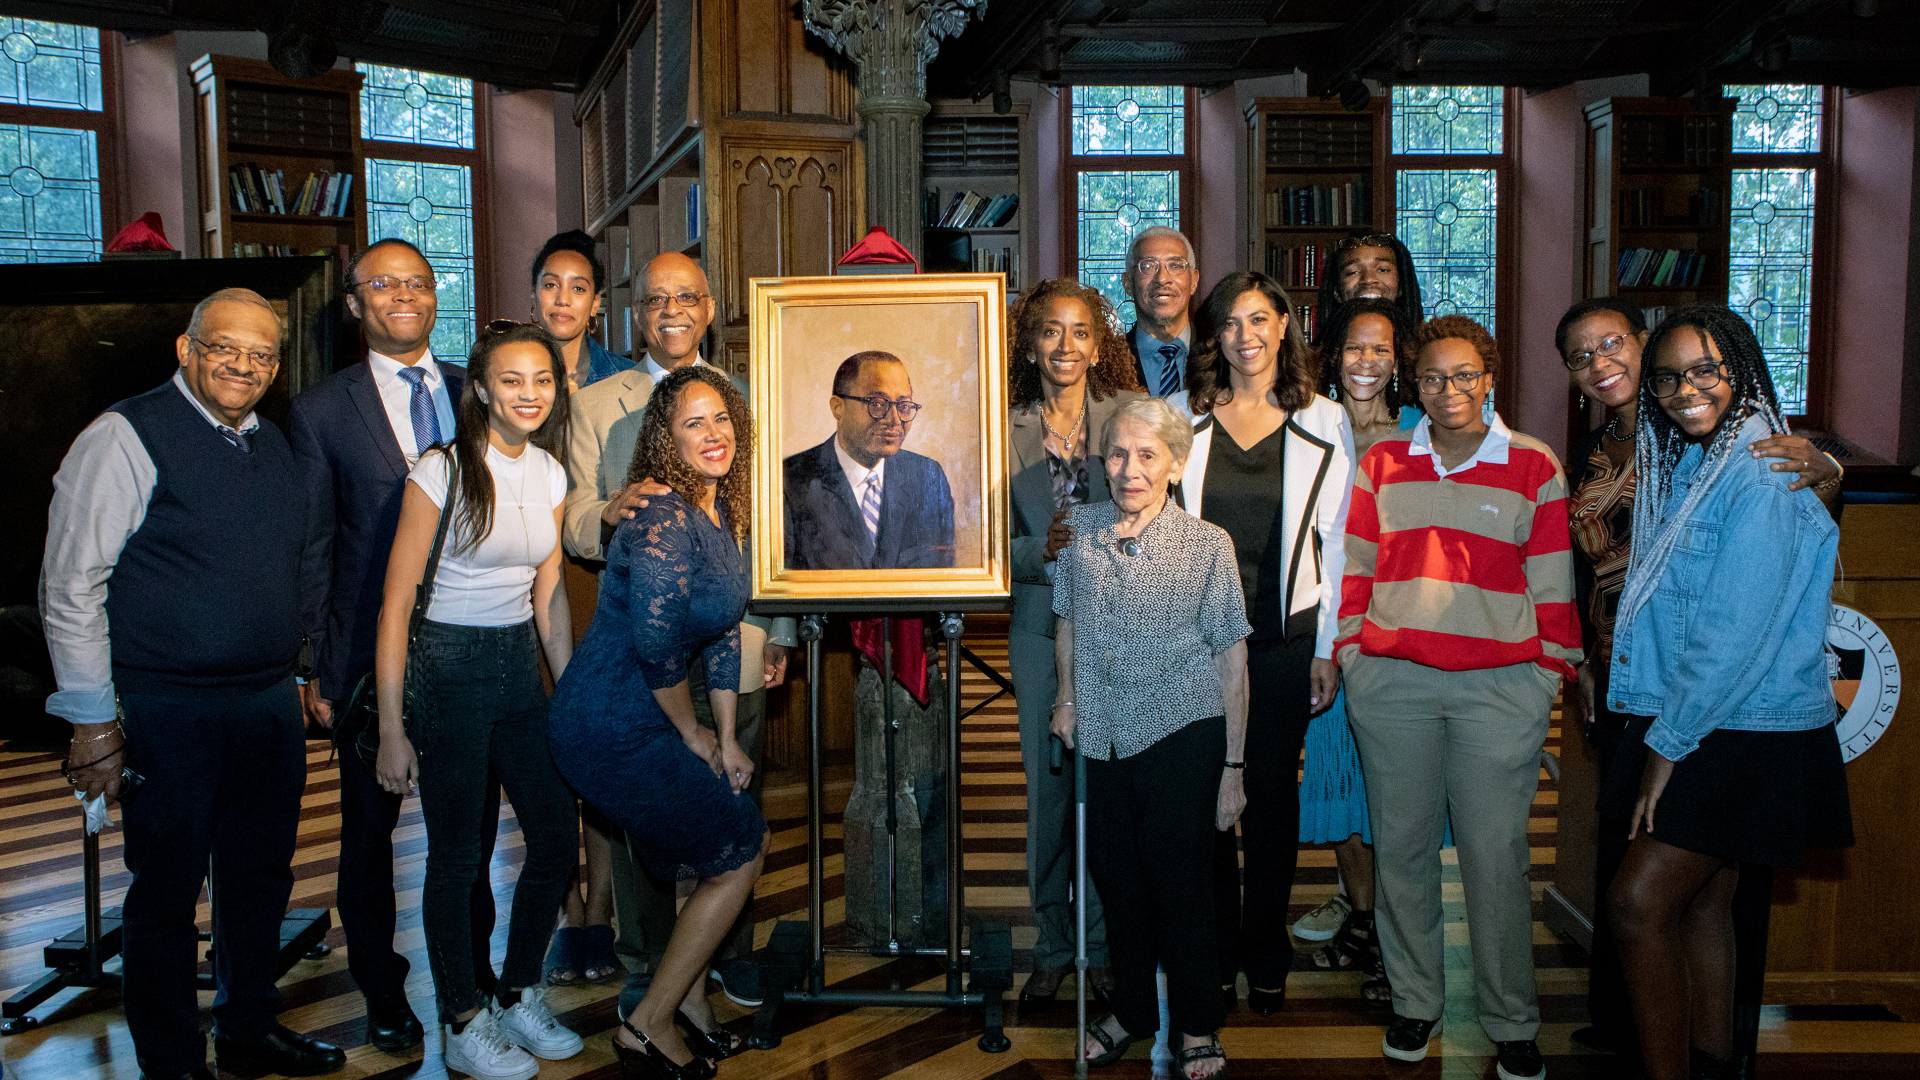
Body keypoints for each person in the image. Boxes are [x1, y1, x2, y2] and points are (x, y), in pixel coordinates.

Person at [41, 288, 346, 1079]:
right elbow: (71, 584)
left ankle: (247, 1029)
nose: (243, 365)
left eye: (261, 354)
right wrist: (91, 722)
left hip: (265, 704)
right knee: (167, 895)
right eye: (225, 348)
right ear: (186, 349)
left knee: (258, 883)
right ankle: (173, 1061)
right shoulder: (124, 435)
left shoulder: (271, 442)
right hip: (164, 709)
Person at [1554, 297, 1841, 1060]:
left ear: (1741, 367)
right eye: (1672, 379)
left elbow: (1728, 636)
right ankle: (1713, 1063)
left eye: (1706, 370)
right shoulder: (1685, 456)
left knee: (1637, 903)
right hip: (1681, 705)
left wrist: (1665, 749)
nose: (1687, 390)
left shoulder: (1761, 464)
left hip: (1736, 723)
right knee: (1704, 905)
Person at [1338, 315, 1579, 1080]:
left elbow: (1553, 587)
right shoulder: (1383, 462)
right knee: (1401, 851)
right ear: (1416, 384)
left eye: (1466, 375)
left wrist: (1548, 673)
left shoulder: (1533, 466)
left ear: (1491, 379)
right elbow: (1354, 566)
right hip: (1393, 684)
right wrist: (1353, 654)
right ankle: (1416, 1001)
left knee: (1495, 855)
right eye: (1435, 378)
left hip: (1501, 691)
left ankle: (1510, 1018)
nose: (1451, 391)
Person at [562, 251, 794, 1013]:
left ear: (709, 305)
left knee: (727, 798)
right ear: (634, 309)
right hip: (643, 644)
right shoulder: (598, 403)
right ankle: (652, 968)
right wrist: (611, 509)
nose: (671, 309)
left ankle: (723, 959)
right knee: (650, 828)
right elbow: (570, 520)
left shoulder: (746, 397)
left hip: (731, 634)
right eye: (655, 296)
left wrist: (778, 630)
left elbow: (767, 525)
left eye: (687, 296)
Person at [290, 237, 498, 1052]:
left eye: (418, 282)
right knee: (368, 838)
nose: (404, 296)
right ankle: (382, 989)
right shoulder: (319, 411)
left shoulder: (471, 392)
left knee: (471, 832)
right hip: (365, 662)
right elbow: (313, 545)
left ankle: (471, 980)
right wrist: (312, 660)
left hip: (471, 651)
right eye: (384, 285)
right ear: (354, 304)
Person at [370, 321, 585, 1079]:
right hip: (447, 666)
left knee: (557, 839)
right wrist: (394, 730)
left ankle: (519, 989)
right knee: (458, 856)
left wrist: (571, 692)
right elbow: (396, 605)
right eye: (513, 380)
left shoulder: (553, 473)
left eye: (544, 380)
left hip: (518, 670)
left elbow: (549, 591)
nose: (529, 394)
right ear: (483, 389)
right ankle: (462, 1016)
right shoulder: (442, 471)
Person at [550, 366, 770, 1079]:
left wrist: (728, 737)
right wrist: (693, 734)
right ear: (665, 441)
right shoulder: (661, 517)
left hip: (647, 715)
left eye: (721, 419)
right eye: (693, 423)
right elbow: (655, 645)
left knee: (712, 848)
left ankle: (687, 1003)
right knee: (739, 849)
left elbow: (725, 634)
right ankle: (647, 1023)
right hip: (609, 722)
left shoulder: (716, 512)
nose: (714, 434)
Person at [1051, 397, 1252, 1080]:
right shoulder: (1079, 530)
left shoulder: (1207, 544)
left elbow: (1233, 660)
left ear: (1174, 461)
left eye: (1145, 455)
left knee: (1183, 886)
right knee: (1118, 884)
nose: (1129, 469)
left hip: (1182, 733)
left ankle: (1196, 1022)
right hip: (1102, 737)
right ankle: (1132, 1011)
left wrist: (1233, 765)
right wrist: (1068, 698)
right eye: (1116, 453)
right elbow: (1067, 625)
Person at [1168, 271, 1352, 1016]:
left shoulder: (1326, 419)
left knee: (1271, 799)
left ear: (1284, 325)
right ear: (1214, 336)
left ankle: (1265, 949)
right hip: (1195, 637)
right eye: (1229, 323)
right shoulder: (1182, 414)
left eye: (1258, 320)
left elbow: (1336, 543)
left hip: (1285, 638)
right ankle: (1212, 949)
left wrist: (1328, 647)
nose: (1244, 337)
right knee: (1206, 798)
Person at [1004, 278, 1145, 1005]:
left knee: (1109, 793)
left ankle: (1100, 944)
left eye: (1080, 331)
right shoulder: (1003, 425)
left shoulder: (1127, 416)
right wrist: (1038, 550)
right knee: (1049, 796)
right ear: (1031, 342)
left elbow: (1161, 503)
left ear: (1098, 344)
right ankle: (1053, 943)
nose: (1066, 345)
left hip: (1121, 624)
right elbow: (982, 540)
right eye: (1051, 331)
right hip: (1036, 624)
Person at [1293, 238, 1428, 949]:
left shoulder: (1427, 429)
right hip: (1328, 630)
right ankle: (1362, 910)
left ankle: (1395, 923)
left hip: (1403, 631)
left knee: (1394, 784)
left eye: (1381, 350)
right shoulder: (1312, 422)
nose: (1366, 360)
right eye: (1353, 349)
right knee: (1335, 773)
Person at [783, 350, 956, 570]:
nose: (894, 420)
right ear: (838, 408)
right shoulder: (791, 480)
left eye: (903, 406)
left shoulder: (927, 477)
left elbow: (944, 581)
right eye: (877, 403)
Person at [531, 228, 636, 391]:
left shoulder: (629, 378)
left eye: (578, 288)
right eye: (550, 285)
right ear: (534, 295)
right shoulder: (503, 375)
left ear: (595, 303)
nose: (563, 300)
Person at [1122, 226, 1200, 397]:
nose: (1162, 279)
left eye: (1175, 265)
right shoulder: (1106, 362)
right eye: (1148, 266)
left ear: (1194, 280)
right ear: (1128, 283)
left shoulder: (1221, 356)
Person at [1314, 232, 1426, 341]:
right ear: (1336, 292)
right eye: (1353, 272)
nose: (1368, 279)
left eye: (1382, 270)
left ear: (1401, 285)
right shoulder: (1316, 358)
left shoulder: (1425, 355)